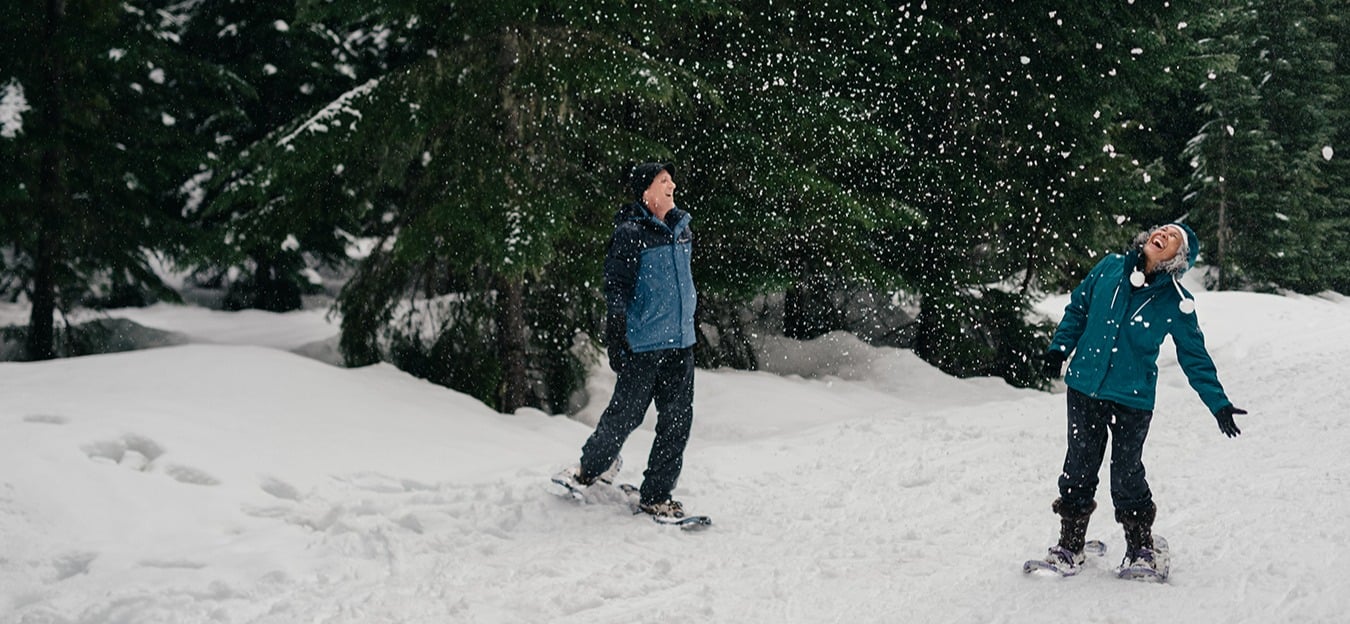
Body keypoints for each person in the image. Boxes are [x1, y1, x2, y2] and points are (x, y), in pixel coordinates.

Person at [1037, 222, 1248, 574]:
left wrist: (1218, 403)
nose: (1162, 234)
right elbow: (1078, 310)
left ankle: (1141, 548)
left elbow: (1193, 356)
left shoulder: (1176, 301)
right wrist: (1059, 348)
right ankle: (1070, 546)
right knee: (1078, 465)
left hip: (1131, 400)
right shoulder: (1108, 268)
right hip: (1084, 387)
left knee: (1126, 474)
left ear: (1178, 259)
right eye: (1163, 229)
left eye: (1173, 238)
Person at [554, 162, 697, 518]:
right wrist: (616, 330)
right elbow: (615, 285)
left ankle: (657, 494)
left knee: (676, 423)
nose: (672, 185)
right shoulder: (631, 232)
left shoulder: (681, 228)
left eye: (671, 180)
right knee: (624, 417)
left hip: (681, 344)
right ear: (646, 191)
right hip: (644, 345)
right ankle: (590, 468)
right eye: (664, 181)